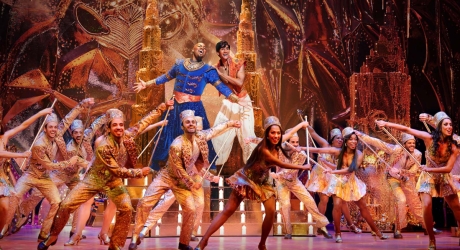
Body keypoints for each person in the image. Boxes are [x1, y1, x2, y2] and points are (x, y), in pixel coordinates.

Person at [38, 104, 169, 250]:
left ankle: (115, 245)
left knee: (126, 208)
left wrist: (162, 107)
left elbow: (144, 122)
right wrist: (139, 172)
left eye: (121, 124)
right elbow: (116, 170)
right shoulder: (102, 143)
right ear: (108, 127)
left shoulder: (126, 135)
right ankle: (54, 235)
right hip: (94, 179)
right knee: (66, 204)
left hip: (113, 182)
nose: (119, 128)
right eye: (115, 125)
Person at [195, 116, 312, 250]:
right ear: (267, 134)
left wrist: (301, 124)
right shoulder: (264, 149)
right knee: (228, 211)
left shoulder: (276, 144)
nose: (276, 135)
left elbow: (288, 135)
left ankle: (262, 244)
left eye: (278, 133)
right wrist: (303, 167)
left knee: (270, 211)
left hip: (263, 182)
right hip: (247, 179)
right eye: (272, 133)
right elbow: (281, 163)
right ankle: (203, 241)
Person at [130, 110, 241, 250]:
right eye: (188, 122)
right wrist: (192, 183)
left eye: (193, 122)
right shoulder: (176, 144)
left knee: (192, 209)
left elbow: (214, 130)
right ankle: (137, 236)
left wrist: (231, 123)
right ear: (182, 126)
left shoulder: (200, 137)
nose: (191, 124)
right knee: (145, 203)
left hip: (184, 181)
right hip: (168, 177)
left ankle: (184, 243)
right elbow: (178, 169)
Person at [133, 42, 249, 170]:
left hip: (195, 108)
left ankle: (204, 168)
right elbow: (165, 77)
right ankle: (161, 167)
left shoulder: (208, 70)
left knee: (199, 137)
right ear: (193, 49)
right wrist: (147, 84)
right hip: (175, 106)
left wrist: (235, 99)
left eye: (204, 48)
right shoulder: (179, 64)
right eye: (199, 46)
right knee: (166, 135)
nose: (202, 49)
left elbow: (220, 86)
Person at [10, 99, 94, 241]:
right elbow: (67, 120)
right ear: (71, 133)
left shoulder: (86, 142)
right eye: (75, 133)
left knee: (79, 199)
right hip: (59, 172)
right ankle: (23, 215)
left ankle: (74, 232)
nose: (79, 135)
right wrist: (81, 105)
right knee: (37, 193)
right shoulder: (62, 140)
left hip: (73, 176)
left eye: (80, 132)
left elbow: (94, 127)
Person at [376, 113, 460, 250]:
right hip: (428, 177)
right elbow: (407, 130)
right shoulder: (429, 138)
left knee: (456, 208)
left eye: (451, 124)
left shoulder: (454, 147)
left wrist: (428, 168)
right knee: (426, 206)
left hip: (443, 177)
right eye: (446, 124)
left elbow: (448, 168)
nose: (449, 127)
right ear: (439, 126)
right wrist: (387, 124)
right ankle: (432, 240)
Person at [307, 127, 389, 243]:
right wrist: (300, 148)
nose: (353, 142)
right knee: (337, 205)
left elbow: (350, 170)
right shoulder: (339, 152)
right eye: (350, 139)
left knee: (363, 207)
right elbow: (321, 151)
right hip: (338, 182)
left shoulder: (359, 154)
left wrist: (332, 171)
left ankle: (377, 231)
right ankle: (338, 233)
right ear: (346, 141)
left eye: (355, 139)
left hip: (351, 182)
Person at [355, 130, 426, 238]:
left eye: (413, 143)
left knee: (416, 203)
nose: (412, 145)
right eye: (409, 143)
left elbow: (413, 172)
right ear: (404, 144)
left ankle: (427, 226)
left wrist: (401, 172)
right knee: (401, 200)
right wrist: (363, 136)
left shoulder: (417, 154)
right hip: (392, 179)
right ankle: (398, 229)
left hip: (406, 179)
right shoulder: (396, 150)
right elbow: (379, 143)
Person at [0, 107, 53, 240]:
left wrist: (41, 113)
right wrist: (21, 155)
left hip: (0, 178)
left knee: (5, 209)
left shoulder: (4, 137)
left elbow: (24, 125)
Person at [271, 129, 331, 239]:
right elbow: (265, 142)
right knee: (285, 205)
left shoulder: (301, 155)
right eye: (292, 142)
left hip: (294, 181)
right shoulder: (279, 149)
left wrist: (278, 175)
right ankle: (287, 232)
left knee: (309, 200)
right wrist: (251, 139)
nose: (295, 145)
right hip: (281, 182)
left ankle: (322, 226)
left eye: (297, 142)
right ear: (286, 141)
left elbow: (292, 170)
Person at [306, 127, 362, 234]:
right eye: (338, 138)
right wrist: (306, 125)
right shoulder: (325, 145)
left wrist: (327, 164)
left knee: (343, 201)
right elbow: (313, 133)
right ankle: (320, 226)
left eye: (342, 139)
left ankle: (351, 225)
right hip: (321, 177)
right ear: (332, 139)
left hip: (333, 176)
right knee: (324, 200)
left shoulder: (342, 152)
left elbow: (337, 168)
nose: (340, 140)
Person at [212, 40, 256, 165]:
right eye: (222, 49)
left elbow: (239, 82)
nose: (225, 51)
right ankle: (213, 170)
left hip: (243, 101)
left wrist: (221, 74)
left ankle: (252, 171)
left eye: (227, 48)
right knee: (218, 134)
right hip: (229, 102)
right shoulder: (215, 67)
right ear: (218, 52)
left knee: (247, 136)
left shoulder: (238, 63)